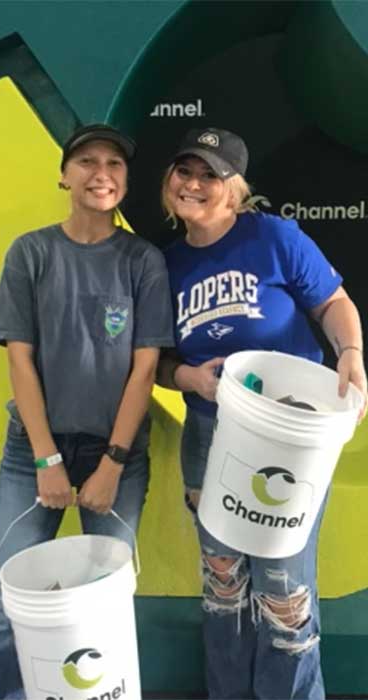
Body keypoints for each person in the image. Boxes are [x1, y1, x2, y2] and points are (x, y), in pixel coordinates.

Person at [157, 127, 367, 700]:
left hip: (287, 436)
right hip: (209, 432)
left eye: (211, 174)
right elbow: (155, 361)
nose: (194, 183)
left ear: (234, 189)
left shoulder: (274, 237)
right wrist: (187, 377)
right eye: (185, 170)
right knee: (224, 586)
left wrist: (351, 352)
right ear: (169, 180)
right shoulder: (164, 264)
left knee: (283, 588)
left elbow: (333, 303)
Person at [0, 123, 174, 700]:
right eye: (87, 162)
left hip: (117, 455)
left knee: (104, 607)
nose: (102, 174)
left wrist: (112, 463)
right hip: (33, 453)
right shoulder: (31, 252)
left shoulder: (143, 261)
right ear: (64, 175)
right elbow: (20, 361)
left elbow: (144, 370)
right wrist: (47, 460)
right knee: (12, 608)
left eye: (114, 165)